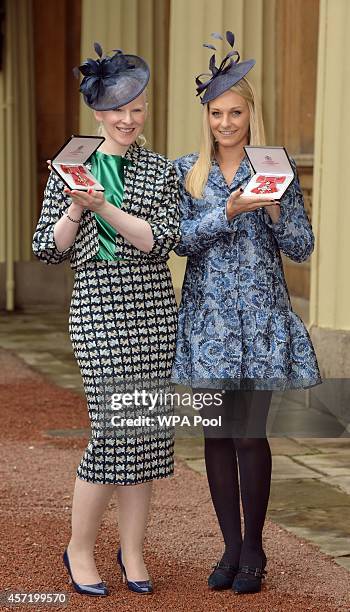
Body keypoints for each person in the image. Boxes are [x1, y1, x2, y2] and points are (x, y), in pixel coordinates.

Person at [172, 31, 321, 595]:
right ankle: (229, 547)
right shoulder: (189, 172)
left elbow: (303, 247)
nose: (227, 123)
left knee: (249, 436)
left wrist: (279, 210)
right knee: (216, 434)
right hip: (208, 322)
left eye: (236, 112)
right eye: (217, 113)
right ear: (206, 116)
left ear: (251, 114)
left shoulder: (275, 166)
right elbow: (179, 242)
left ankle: (254, 550)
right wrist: (228, 212)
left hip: (260, 322)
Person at [32, 43, 180, 597]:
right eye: (117, 109)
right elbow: (48, 248)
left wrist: (101, 207)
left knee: (146, 434)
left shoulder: (159, 169)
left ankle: (134, 550)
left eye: (137, 108)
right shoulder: (72, 166)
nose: (127, 119)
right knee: (113, 432)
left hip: (151, 311)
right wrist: (74, 204)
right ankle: (79, 547)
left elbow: (157, 240)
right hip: (98, 311)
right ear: (97, 113)